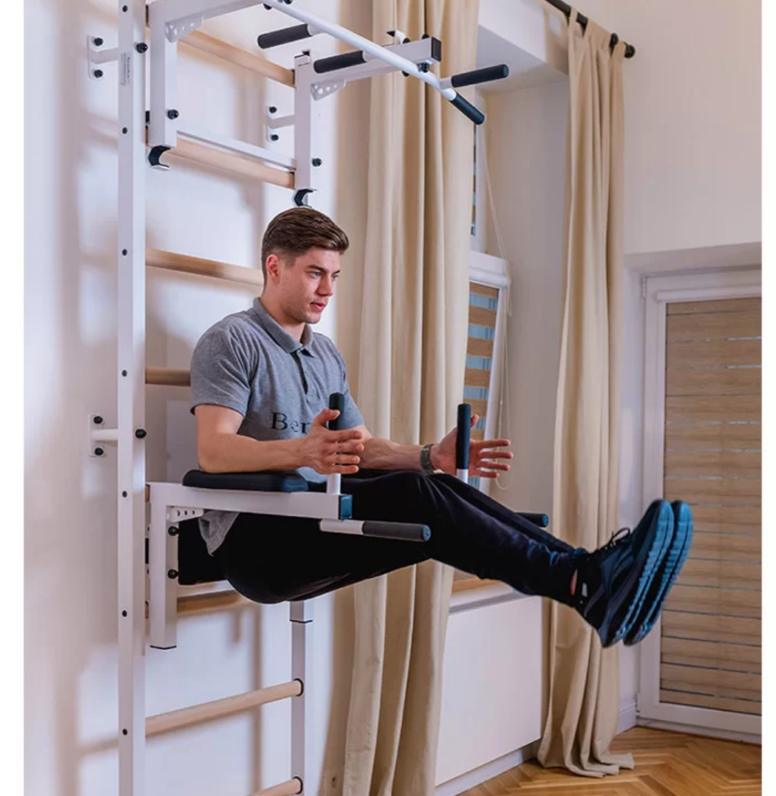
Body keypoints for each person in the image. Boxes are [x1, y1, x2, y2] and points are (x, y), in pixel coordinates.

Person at [182, 207, 691, 647]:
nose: (328, 290)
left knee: (433, 485)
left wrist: (429, 456)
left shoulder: (324, 353)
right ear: (275, 267)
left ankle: (586, 574)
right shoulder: (232, 341)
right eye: (315, 273)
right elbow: (215, 451)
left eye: (335, 275)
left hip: (317, 515)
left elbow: (360, 449)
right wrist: (302, 452)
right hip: (257, 544)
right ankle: (584, 579)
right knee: (416, 496)